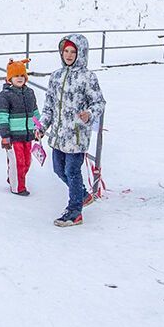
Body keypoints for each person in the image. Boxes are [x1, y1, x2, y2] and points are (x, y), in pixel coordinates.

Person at [39, 33, 105, 227]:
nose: (68, 55)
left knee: (72, 171)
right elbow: (49, 106)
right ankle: (83, 195)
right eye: (65, 51)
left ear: (81, 53)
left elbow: (99, 102)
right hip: (58, 136)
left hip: (76, 136)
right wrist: (42, 126)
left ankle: (75, 211)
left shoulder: (88, 77)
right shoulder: (56, 76)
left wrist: (89, 113)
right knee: (59, 170)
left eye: (73, 51)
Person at [0, 59, 41, 195]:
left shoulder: (29, 93)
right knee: (18, 162)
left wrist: (39, 127)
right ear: (10, 78)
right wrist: (5, 136)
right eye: (16, 76)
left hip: (28, 135)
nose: (19, 78)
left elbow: (35, 112)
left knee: (27, 161)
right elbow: (2, 115)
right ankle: (18, 188)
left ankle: (13, 177)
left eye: (22, 75)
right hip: (13, 136)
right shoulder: (6, 95)